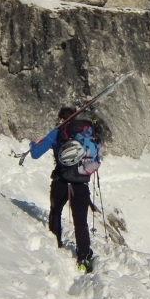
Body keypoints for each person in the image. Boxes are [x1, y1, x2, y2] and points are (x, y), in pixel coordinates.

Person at [29, 107, 104, 272]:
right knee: (81, 222)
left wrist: (33, 143)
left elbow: (35, 154)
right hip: (81, 183)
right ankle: (84, 256)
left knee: (55, 212)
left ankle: (56, 243)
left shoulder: (57, 133)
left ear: (60, 119)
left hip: (60, 181)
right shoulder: (87, 135)